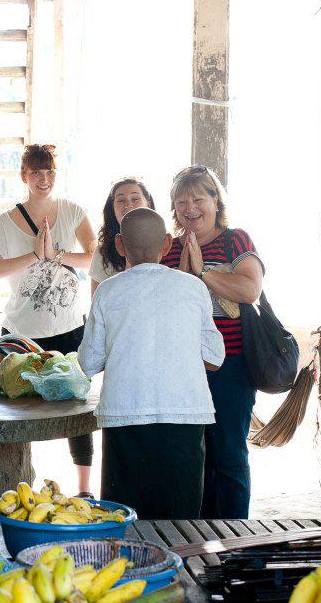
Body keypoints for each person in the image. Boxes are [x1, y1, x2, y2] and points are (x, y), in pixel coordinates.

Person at [78, 208, 225, 519]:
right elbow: (215, 356)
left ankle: (131, 567)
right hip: (185, 414)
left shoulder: (107, 290)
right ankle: (181, 565)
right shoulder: (193, 288)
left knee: (126, 517)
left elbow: (88, 363)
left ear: (119, 245)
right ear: (168, 244)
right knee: (181, 519)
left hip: (125, 415)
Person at [0, 143, 97, 496]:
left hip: (67, 327)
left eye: (49, 172)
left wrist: (57, 255)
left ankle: (84, 488)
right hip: (20, 331)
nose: (43, 179)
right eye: (36, 172)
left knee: (78, 410)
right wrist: (34, 255)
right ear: (24, 176)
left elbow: (95, 258)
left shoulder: (72, 211)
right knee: (15, 409)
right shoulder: (5, 222)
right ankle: (20, 487)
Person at [160, 165, 264, 519]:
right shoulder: (169, 250)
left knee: (229, 455)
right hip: (183, 370)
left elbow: (249, 290)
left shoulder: (235, 239)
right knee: (193, 456)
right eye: (181, 201)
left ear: (216, 201)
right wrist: (184, 274)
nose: (190, 208)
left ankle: (234, 536)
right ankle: (199, 534)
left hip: (231, 366)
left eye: (198, 199)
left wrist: (203, 272)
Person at [89, 178, 156, 295]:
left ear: (148, 203)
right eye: (120, 200)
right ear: (112, 209)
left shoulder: (162, 244)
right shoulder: (102, 253)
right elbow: (96, 303)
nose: (128, 204)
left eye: (135, 198)